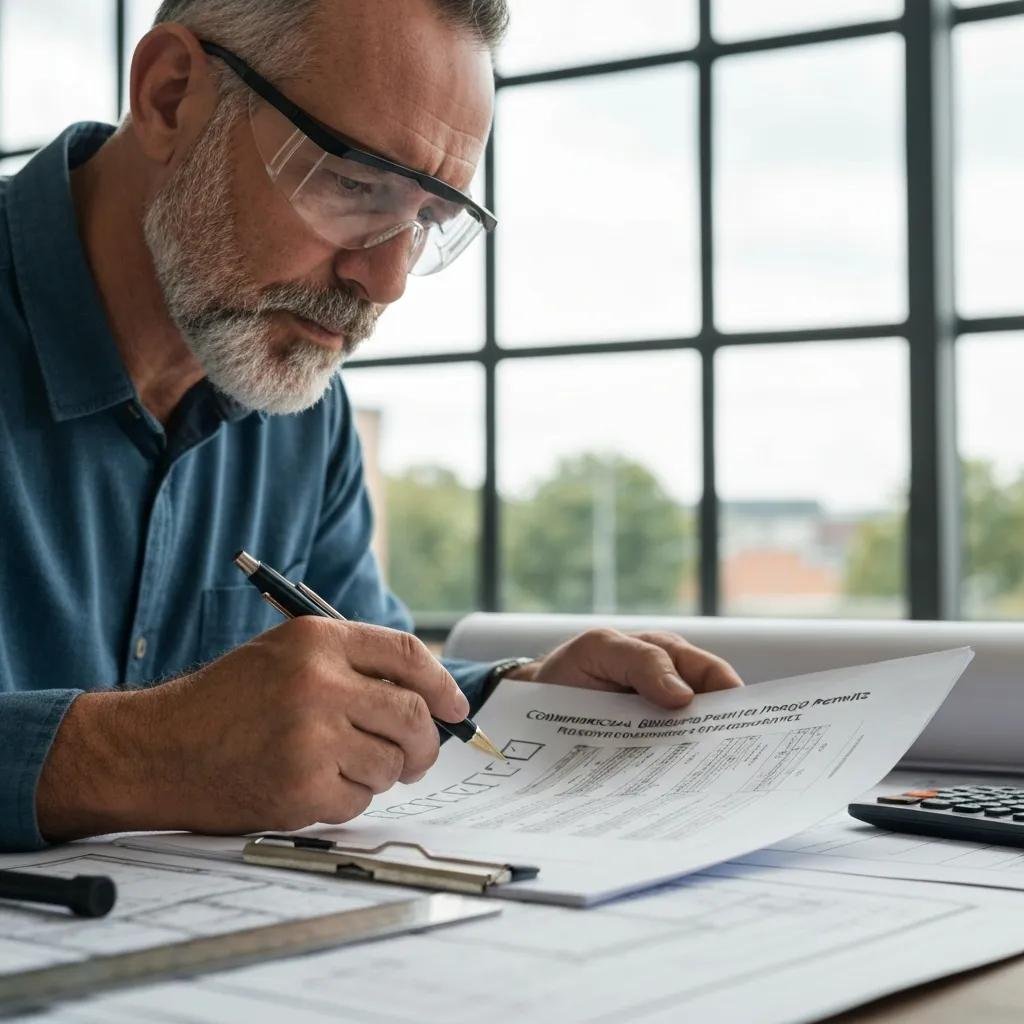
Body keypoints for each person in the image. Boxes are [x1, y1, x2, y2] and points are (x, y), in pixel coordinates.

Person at [0, 0, 742, 853]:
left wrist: (520, 698)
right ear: (171, 96)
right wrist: (142, 754)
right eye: (353, 184)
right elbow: (189, 739)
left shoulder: (295, 404)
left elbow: (346, 675)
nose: (385, 282)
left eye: (427, 219)